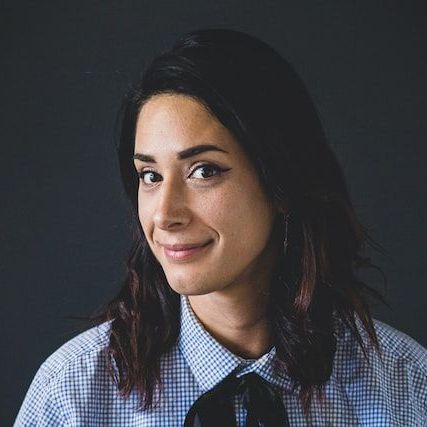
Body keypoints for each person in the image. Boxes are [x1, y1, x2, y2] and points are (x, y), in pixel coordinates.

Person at [14, 28, 427, 427]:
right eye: (150, 176)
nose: (165, 215)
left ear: (282, 181)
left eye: (204, 171)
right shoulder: (73, 395)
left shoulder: (405, 387)